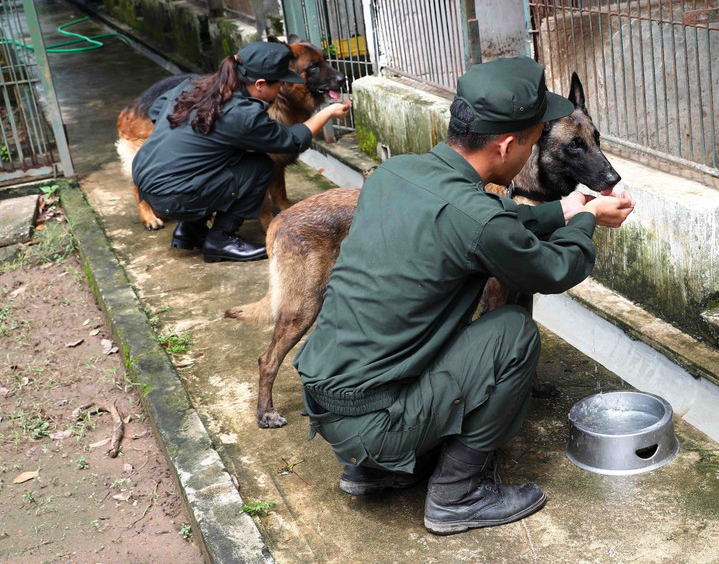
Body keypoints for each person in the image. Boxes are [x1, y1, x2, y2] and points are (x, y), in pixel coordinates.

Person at [294, 57, 635, 535]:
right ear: (507, 145)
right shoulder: (477, 217)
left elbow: (492, 219)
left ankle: (374, 470)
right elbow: (557, 268)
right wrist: (586, 222)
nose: (533, 154)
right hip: (373, 420)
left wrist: (563, 209)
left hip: (329, 400)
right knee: (513, 333)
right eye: (535, 142)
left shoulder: (396, 173)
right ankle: (458, 493)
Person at [132, 41, 351, 263]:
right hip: (172, 195)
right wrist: (329, 112)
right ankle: (221, 240)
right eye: (278, 85)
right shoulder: (243, 115)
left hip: (147, 181)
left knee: (223, 158)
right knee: (259, 166)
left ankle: (189, 231)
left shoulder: (196, 84)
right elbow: (292, 141)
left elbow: (156, 109)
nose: (280, 90)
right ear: (260, 84)